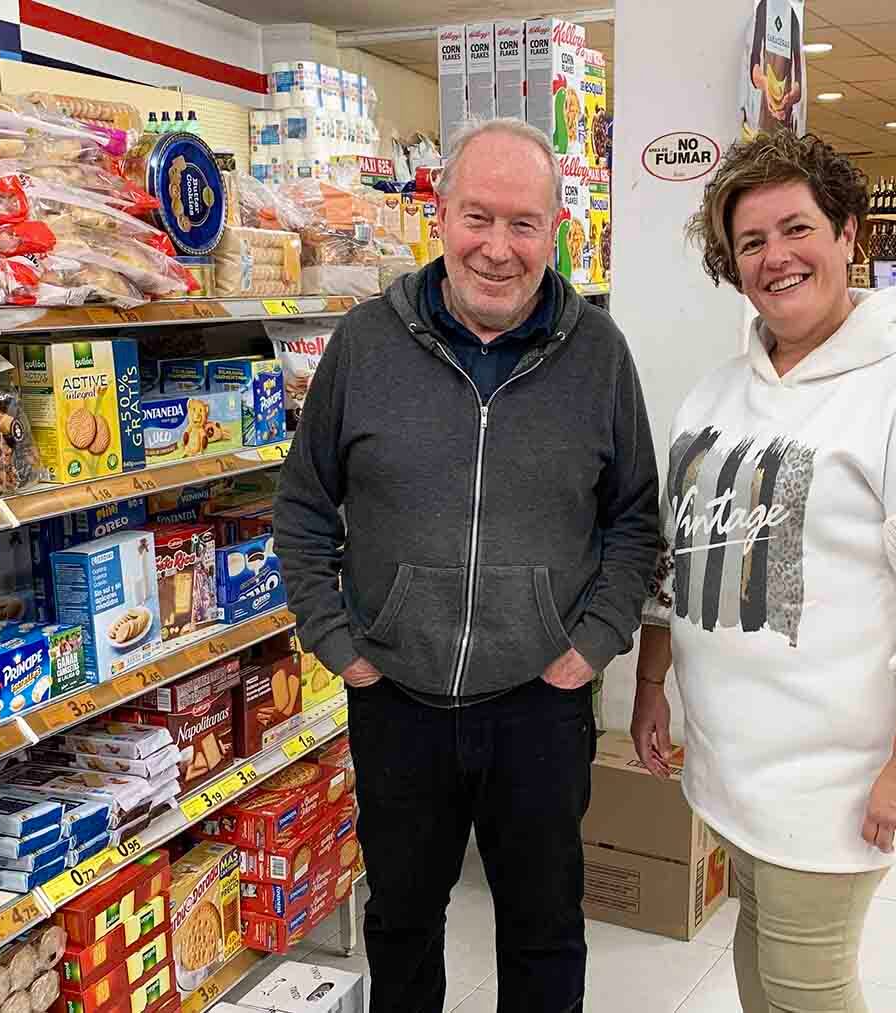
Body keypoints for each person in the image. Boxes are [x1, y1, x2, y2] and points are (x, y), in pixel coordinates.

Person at [274, 117, 661, 1013]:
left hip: (540, 702)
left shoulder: (599, 356)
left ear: (554, 230)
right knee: (403, 922)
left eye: (523, 223)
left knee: (544, 928)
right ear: (438, 215)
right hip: (396, 700)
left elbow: (636, 520)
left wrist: (592, 644)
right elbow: (300, 507)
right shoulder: (366, 346)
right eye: (476, 217)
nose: (497, 247)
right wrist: (341, 645)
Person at [630, 130, 896, 1013]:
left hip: (833, 777)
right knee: (761, 962)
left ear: (847, 233)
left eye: (796, 228)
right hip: (732, 761)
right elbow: (677, 558)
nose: (776, 257)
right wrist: (654, 682)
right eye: (751, 242)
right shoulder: (717, 392)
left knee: (806, 988)